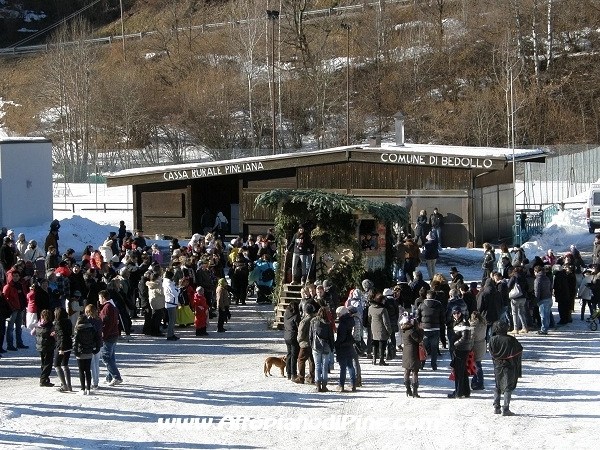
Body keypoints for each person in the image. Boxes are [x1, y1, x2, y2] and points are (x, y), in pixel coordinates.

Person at [489, 320, 523, 416]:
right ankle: (506, 409)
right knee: (508, 386)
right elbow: (519, 349)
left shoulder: (492, 339)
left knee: (498, 385)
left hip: (497, 365)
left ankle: (496, 407)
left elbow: (491, 352)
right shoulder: (510, 339)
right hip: (509, 365)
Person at [98, 290, 123, 386]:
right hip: (114, 334)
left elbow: (106, 324)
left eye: (99, 298)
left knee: (106, 357)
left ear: (103, 298)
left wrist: (103, 336)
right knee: (111, 357)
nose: (99, 300)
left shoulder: (107, 307)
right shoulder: (111, 306)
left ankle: (116, 377)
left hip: (109, 335)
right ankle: (110, 377)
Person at [416, 290, 445, 371]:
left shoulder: (422, 305)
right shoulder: (439, 305)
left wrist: (419, 326)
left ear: (427, 296)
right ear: (435, 296)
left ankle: (422, 364)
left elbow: (417, 316)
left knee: (424, 348)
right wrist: (441, 326)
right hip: (436, 328)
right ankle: (434, 365)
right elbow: (442, 317)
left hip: (425, 329)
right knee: (434, 348)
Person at [72, 314, 101, 395]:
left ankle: (83, 389)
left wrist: (75, 351)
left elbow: (75, 342)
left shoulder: (78, 329)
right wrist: (96, 349)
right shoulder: (92, 328)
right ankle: (88, 388)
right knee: (88, 370)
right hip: (89, 351)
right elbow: (97, 339)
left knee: (81, 371)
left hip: (80, 352)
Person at [448, 306, 473, 399]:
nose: (456, 315)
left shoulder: (464, 323)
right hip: (459, 349)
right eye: (454, 313)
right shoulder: (456, 322)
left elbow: (465, 337)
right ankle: (465, 391)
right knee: (463, 370)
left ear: (461, 313)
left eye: (458, 313)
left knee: (459, 371)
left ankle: (458, 392)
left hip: (462, 349)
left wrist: (455, 344)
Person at [309, 306, 335, 393]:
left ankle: (317, 385)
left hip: (316, 346)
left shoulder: (313, 322)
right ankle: (324, 385)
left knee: (317, 366)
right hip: (326, 346)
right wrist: (332, 347)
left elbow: (310, 335)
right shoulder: (328, 323)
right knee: (324, 366)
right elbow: (331, 337)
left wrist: (311, 345)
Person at [3, 270, 28, 351]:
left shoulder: (20, 285)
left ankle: (19, 343)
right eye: (14, 276)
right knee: (10, 328)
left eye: (17, 276)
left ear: (19, 277)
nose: (15, 277)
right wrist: (10, 307)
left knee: (19, 327)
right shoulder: (8, 286)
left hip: (20, 308)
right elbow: (4, 298)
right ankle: (10, 345)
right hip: (13, 310)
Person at [401, 313, 424, 398]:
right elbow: (419, 339)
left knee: (407, 370)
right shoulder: (412, 331)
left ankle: (408, 390)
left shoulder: (404, 330)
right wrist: (420, 330)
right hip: (413, 352)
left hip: (406, 351)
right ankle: (415, 391)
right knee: (415, 371)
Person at [335, 306, 357, 392]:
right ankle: (353, 384)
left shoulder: (342, 323)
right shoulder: (350, 320)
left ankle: (341, 385)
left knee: (343, 367)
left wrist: (336, 344)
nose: (337, 315)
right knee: (350, 365)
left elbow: (342, 337)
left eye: (338, 313)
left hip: (342, 346)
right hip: (349, 344)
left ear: (343, 313)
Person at [32, 309, 56, 387]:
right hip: (48, 346)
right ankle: (43, 379)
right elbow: (55, 336)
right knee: (48, 364)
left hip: (40, 346)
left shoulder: (37, 324)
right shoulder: (50, 326)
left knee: (43, 363)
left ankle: (45, 378)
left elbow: (32, 333)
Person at [368, 294, 392, 366]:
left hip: (373, 327)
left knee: (374, 343)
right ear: (381, 300)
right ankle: (381, 360)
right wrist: (389, 330)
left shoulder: (370, 308)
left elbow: (369, 318)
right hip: (382, 329)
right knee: (382, 344)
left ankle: (374, 359)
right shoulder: (383, 309)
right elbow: (386, 322)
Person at [294, 304, 315, 384]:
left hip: (305, 343)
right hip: (314, 343)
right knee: (312, 360)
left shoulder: (304, 321)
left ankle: (301, 377)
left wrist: (299, 340)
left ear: (305, 311)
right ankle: (312, 377)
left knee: (301, 360)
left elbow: (301, 333)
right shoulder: (315, 319)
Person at [53, 306, 73, 393]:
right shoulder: (68, 321)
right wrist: (56, 332)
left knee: (57, 365)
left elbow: (62, 336)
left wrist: (61, 348)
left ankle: (64, 385)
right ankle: (69, 385)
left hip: (62, 345)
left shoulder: (58, 323)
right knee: (65, 364)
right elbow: (67, 333)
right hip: (69, 344)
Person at [84, 304, 103, 390]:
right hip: (99, 343)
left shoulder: (89, 321)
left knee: (92, 364)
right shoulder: (99, 320)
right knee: (96, 363)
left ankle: (94, 382)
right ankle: (96, 381)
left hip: (91, 343)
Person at [283, 301, 300, 381]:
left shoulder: (286, 314)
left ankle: (288, 372)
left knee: (289, 354)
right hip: (293, 336)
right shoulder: (296, 316)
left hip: (286, 336)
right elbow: (299, 326)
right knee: (294, 355)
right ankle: (293, 373)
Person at [470, 311, 487, 391]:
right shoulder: (483, 325)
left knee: (477, 365)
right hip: (482, 344)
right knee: (478, 364)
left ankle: (480, 382)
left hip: (476, 347)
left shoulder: (473, 328)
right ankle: (475, 380)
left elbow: (471, 340)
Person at [534, 265, 552, 335]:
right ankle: (546, 328)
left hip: (542, 299)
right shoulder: (546, 278)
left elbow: (537, 291)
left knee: (543, 315)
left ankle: (544, 329)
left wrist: (536, 300)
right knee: (547, 315)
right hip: (548, 297)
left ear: (536, 271)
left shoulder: (538, 279)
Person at [162, 269, 180, 340]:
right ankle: (169, 335)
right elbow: (175, 293)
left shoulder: (170, 283)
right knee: (171, 320)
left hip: (172, 302)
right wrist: (178, 289)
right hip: (170, 303)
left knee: (173, 320)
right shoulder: (168, 284)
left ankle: (172, 333)